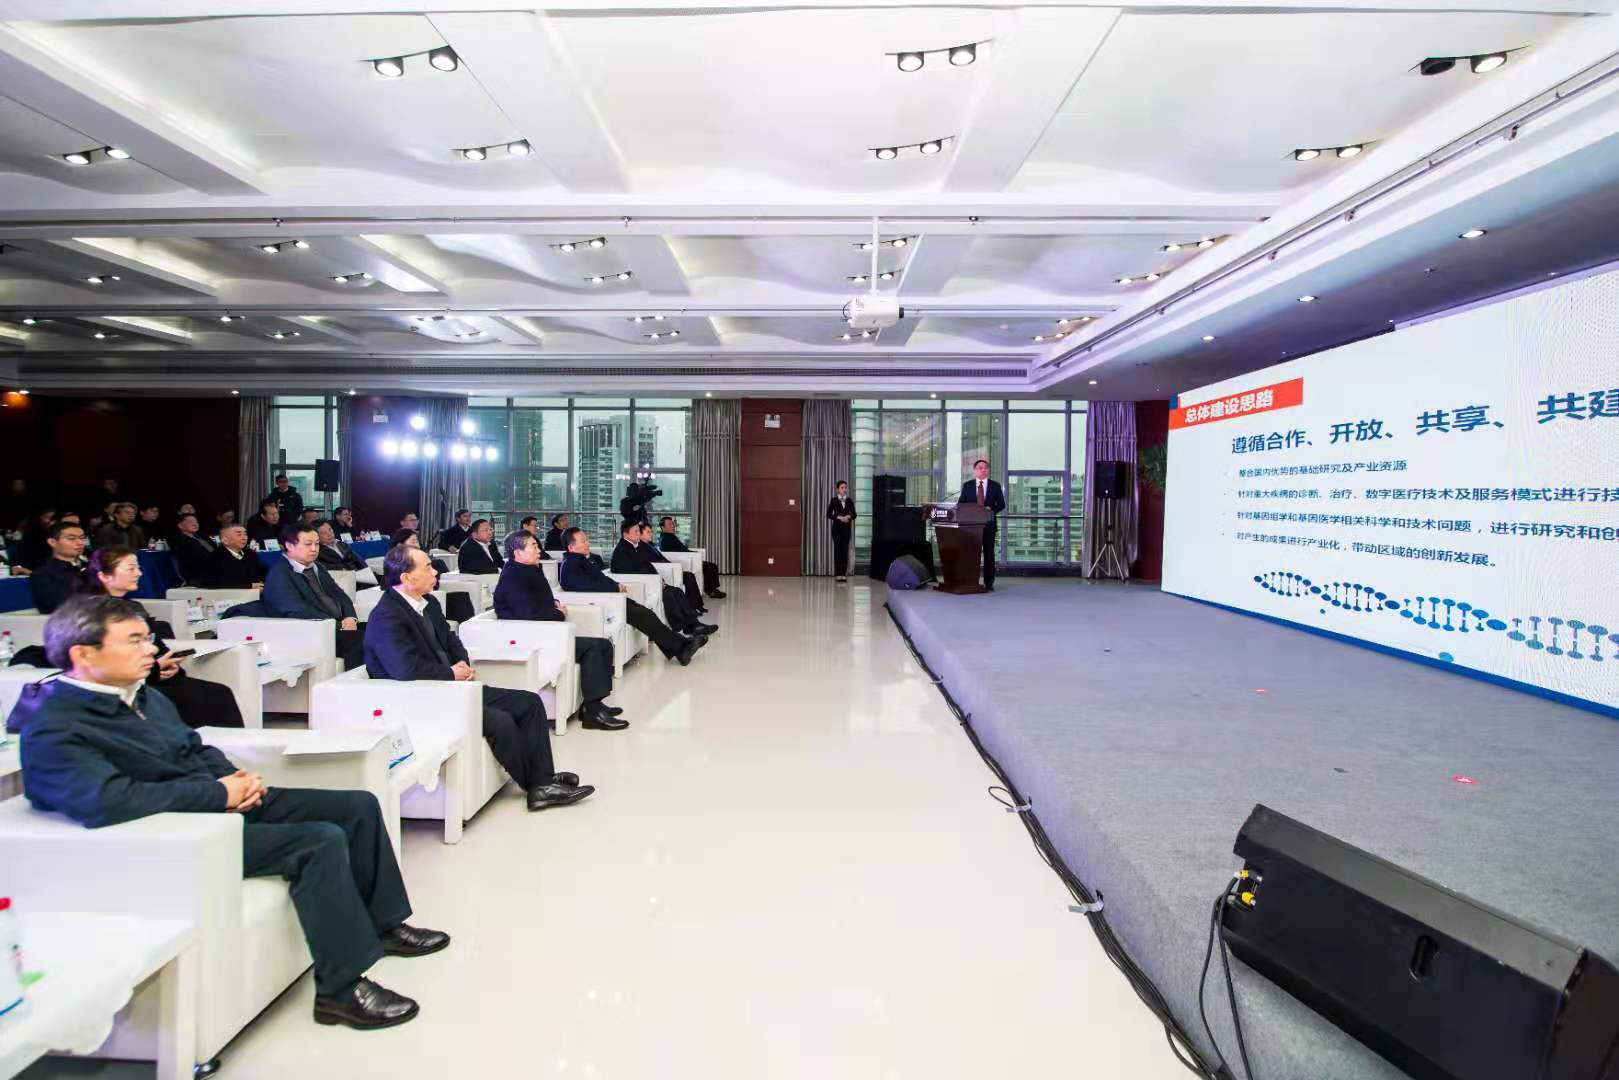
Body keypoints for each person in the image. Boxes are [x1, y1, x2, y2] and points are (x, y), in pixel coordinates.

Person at [18, 594, 448, 1030]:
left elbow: (195, 747)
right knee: (319, 840)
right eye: (134, 641)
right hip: (182, 830)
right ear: (84, 654)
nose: (150, 649)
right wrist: (218, 795)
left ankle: (384, 925)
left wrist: (234, 780)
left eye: (147, 638)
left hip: (215, 801)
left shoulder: (143, 697)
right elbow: (109, 801)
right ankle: (340, 990)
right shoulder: (56, 726)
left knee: (357, 806)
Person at [366, 545, 594, 811]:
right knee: (501, 721)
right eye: (427, 567)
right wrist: (450, 673)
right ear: (406, 578)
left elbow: (451, 639)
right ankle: (538, 786)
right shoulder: (387, 616)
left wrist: (461, 662)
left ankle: (543, 779)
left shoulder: (429, 603)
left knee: (529, 702)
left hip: (453, 689)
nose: (435, 572)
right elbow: (404, 668)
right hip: (423, 699)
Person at [87, 547, 245, 729]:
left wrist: (170, 664)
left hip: (155, 674)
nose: (138, 573)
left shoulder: (132, 606)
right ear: (105, 576)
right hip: (130, 682)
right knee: (198, 698)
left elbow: (155, 644)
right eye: (131, 569)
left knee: (220, 692)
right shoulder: (94, 612)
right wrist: (155, 668)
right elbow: (109, 659)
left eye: (138, 568)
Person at [494, 532, 625, 730]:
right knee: (593, 648)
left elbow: (538, 600)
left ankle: (593, 704)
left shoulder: (527, 570)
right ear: (518, 553)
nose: (539, 550)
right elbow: (528, 616)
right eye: (533, 546)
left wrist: (553, 603)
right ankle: (593, 714)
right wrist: (558, 614)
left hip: (546, 633)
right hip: (531, 639)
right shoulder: (514, 577)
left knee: (603, 645)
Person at [560, 527, 700, 666]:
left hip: (612, 599)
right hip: (602, 604)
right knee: (645, 615)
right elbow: (582, 587)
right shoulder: (570, 566)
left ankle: (681, 647)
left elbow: (600, 579)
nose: (588, 543)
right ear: (571, 547)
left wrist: (616, 585)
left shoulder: (582, 561)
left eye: (586, 540)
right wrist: (614, 588)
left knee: (647, 614)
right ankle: (681, 647)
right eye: (583, 541)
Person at [263, 523, 364, 670]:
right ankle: (354, 682)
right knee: (361, 639)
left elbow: (340, 595)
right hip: (312, 631)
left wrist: (350, 617)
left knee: (380, 628)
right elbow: (297, 610)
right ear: (289, 546)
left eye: (316, 544)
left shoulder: (317, 566)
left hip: (335, 624)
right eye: (308, 544)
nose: (314, 549)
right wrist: (338, 625)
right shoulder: (280, 573)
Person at [610, 521, 714, 636]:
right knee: (668, 595)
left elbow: (648, 566)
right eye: (636, 531)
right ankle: (682, 627)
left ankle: (694, 624)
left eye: (639, 531)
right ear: (625, 534)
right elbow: (630, 574)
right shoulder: (622, 551)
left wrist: (659, 579)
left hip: (650, 581)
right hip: (640, 586)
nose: (639, 534)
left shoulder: (636, 547)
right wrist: (654, 582)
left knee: (677, 591)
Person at [960, 459, 1007, 590]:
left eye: (985, 468)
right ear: (975, 470)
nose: (983, 470)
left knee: (989, 555)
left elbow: (1001, 504)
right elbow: (961, 504)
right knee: (971, 554)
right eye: (980, 468)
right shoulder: (967, 485)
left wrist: (991, 510)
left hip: (989, 525)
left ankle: (989, 583)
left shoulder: (995, 486)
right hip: (971, 527)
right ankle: (970, 581)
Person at [638, 522, 706, 614]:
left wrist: (672, 565)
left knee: (689, 575)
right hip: (663, 571)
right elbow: (652, 562)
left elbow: (661, 557)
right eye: (648, 532)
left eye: (651, 532)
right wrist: (671, 567)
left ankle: (697, 606)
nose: (651, 534)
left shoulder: (651, 544)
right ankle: (693, 607)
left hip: (669, 568)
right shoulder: (641, 547)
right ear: (640, 534)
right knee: (689, 576)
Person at [658, 517, 725, 599]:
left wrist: (693, 553)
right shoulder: (666, 539)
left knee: (710, 566)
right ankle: (711, 590)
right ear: (663, 527)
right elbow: (676, 553)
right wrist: (692, 554)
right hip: (685, 560)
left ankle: (712, 589)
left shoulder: (669, 536)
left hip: (688, 557)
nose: (673, 526)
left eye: (672, 524)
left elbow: (681, 549)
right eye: (669, 524)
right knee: (710, 566)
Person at [30, 520, 89, 613]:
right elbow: (56, 606)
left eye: (82, 538)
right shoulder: (44, 573)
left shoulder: (90, 566)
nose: (80, 542)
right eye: (71, 538)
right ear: (52, 542)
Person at [202, 523, 267, 589]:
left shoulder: (250, 554)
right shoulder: (216, 557)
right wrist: (249, 586)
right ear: (225, 541)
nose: (244, 538)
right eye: (239, 535)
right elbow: (211, 582)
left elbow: (260, 574)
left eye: (245, 534)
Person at [172, 512, 217, 585]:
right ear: (180, 526)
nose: (195, 524)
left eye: (196, 522)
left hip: (215, 568)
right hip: (200, 574)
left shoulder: (203, 536)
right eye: (191, 522)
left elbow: (216, 551)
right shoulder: (181, 542)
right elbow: (193, 562)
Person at [827, 480, 856, 583]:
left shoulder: (849, 501)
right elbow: (828, 514)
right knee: (838, 551)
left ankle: (843, 574)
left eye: (845, 487)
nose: (844, 489)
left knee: (845, 551)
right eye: (842, 487)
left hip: (846, 530)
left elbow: (854, 514)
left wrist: (849, 516)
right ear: (838, 489)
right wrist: (839, 517)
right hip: (836, 530)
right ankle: (838, 574)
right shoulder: (834, 500)